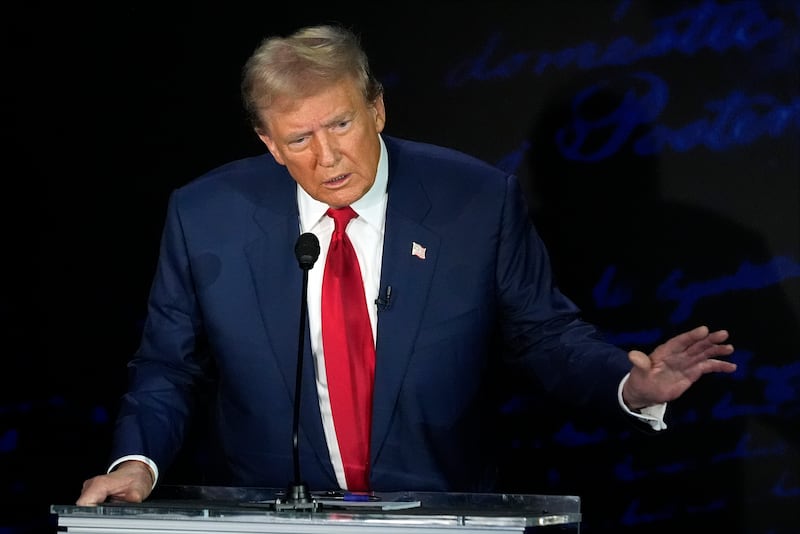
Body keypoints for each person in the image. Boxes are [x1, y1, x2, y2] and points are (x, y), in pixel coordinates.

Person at [76, 23, 736, 506]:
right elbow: (169, 364)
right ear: (268, 144)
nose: (326, 156)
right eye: (299, 139)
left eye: (340, 125)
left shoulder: (474, 201)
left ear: (377, 108)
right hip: (271, 514)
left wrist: (629, 385)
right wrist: (139, 462)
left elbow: (543, 335)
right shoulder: (206, 216)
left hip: (440, 510)